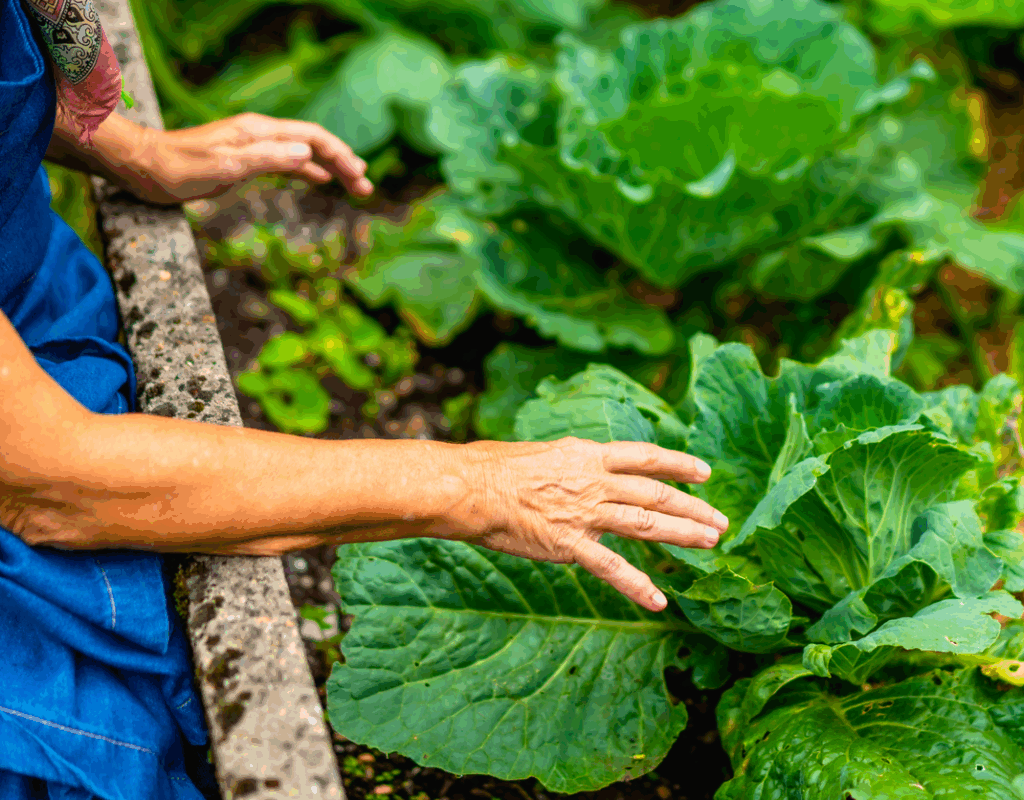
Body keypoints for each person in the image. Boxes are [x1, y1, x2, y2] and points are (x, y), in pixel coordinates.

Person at [0, 1, 729, 798]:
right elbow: (54, 482)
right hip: (41, 459)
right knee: (102, 749)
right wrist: (477, 486)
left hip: (37, 314)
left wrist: (130, 149)